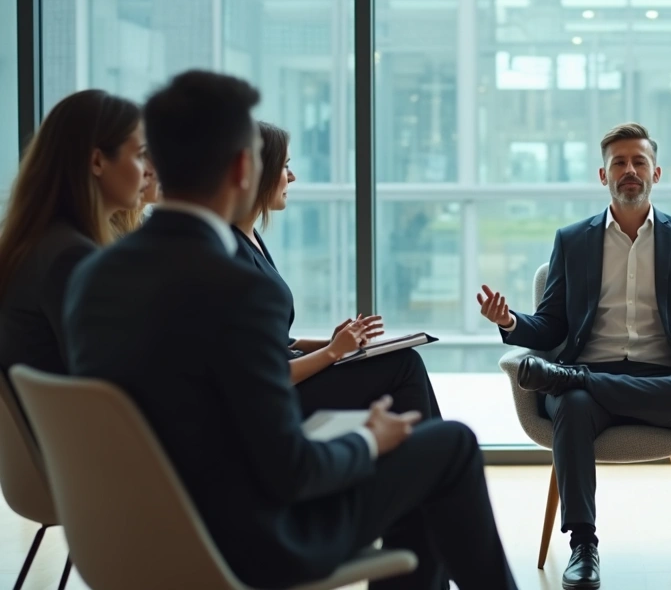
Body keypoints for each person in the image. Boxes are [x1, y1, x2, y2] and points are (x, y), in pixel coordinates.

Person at [62, 70, 517, 590]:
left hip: (128, 535)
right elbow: (292, 472)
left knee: (420, 453)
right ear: (241, 168)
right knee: (449, 445)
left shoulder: (91, 276)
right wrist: (369, 439)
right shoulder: (239, 289)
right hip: (249, 540)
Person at [477, 122, 671, 590]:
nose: (629, 170)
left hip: (663, 377)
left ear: (656, 172)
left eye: (638, 162)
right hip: (591, 368)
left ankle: (568, 380)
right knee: (571, 403)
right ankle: (583, 546)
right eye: (619, 163)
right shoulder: (573, 240)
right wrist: (509, 322)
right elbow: (551, 325)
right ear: (603, 175)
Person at [232, 121, 442, 420]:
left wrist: (336, 344)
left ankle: (420, 457)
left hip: (288, 380)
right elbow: (259, 370)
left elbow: (275, 341)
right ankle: (426, 458)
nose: (292, 177)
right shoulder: (231, 255)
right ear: (258, 174)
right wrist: (332, 353)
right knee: (404, 367)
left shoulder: (250, 240)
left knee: (402, 359)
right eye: (285, 167)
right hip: (277, 398)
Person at [0, 89, 147, 376]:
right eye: (141, 155)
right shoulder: (73, 257)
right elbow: (116, 373)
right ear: (97, 162)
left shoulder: (40, 244)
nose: (147, 171)